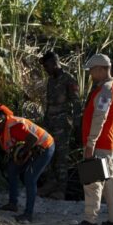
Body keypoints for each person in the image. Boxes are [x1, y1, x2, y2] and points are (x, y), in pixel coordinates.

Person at [0, 103, 55, 223]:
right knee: (12, 169)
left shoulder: (15, 126)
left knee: (30, 178)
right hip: (32, 148)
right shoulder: (0, 128)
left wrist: (23, 153)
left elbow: (32, 138)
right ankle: (13, 204)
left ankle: (28, 214)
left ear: (2, 120)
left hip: (44, 147)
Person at [74, 54, 113, 225]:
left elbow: (99, 118)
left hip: (100, 143)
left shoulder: (105, 90)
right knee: (110, 181)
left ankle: (90, 220)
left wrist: (90, 144)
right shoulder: (112, 87)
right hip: (108, 143)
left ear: (102, 69)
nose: (90, 75)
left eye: (92, 71)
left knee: (93, 181)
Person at [38, 51, 80, 200]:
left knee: (61, 157)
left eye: (47, 65)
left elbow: (76, 103)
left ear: (55, 64)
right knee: (48, 153)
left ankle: (61, 190)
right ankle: (50, 183)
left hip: (63, 124)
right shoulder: (50, 81)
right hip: (50, 122)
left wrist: (77, 124)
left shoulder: (69, 79)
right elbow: (49, 104)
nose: (45, 69)